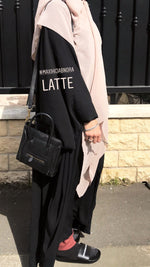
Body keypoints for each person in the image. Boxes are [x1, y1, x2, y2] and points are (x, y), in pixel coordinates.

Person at [29, 0, 108, 267]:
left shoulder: (78, 7)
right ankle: (61, 243)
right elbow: (63, 69)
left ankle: (69, 229)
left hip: (80, 109)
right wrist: (88, 118)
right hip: (68, 115)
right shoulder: (56, 10)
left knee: (77, 173)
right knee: (64, 175)